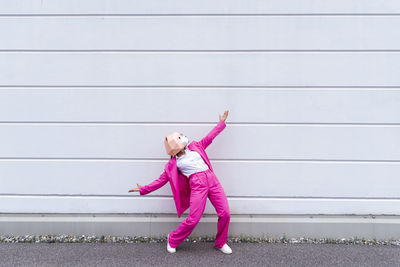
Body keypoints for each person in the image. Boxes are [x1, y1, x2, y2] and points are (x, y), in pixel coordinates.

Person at [128, 110, 232, 254]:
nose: (183, 137)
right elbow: (160, 181)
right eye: (179, 137)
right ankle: (172, 239)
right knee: (193, 219)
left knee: (225, 213)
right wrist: (143, 189)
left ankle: (221, 243)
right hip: (198, 185)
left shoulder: (196, 146)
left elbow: (210, 137)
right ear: (175, 146)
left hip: (212, 180)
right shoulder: (174, 164)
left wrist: (221, 123)